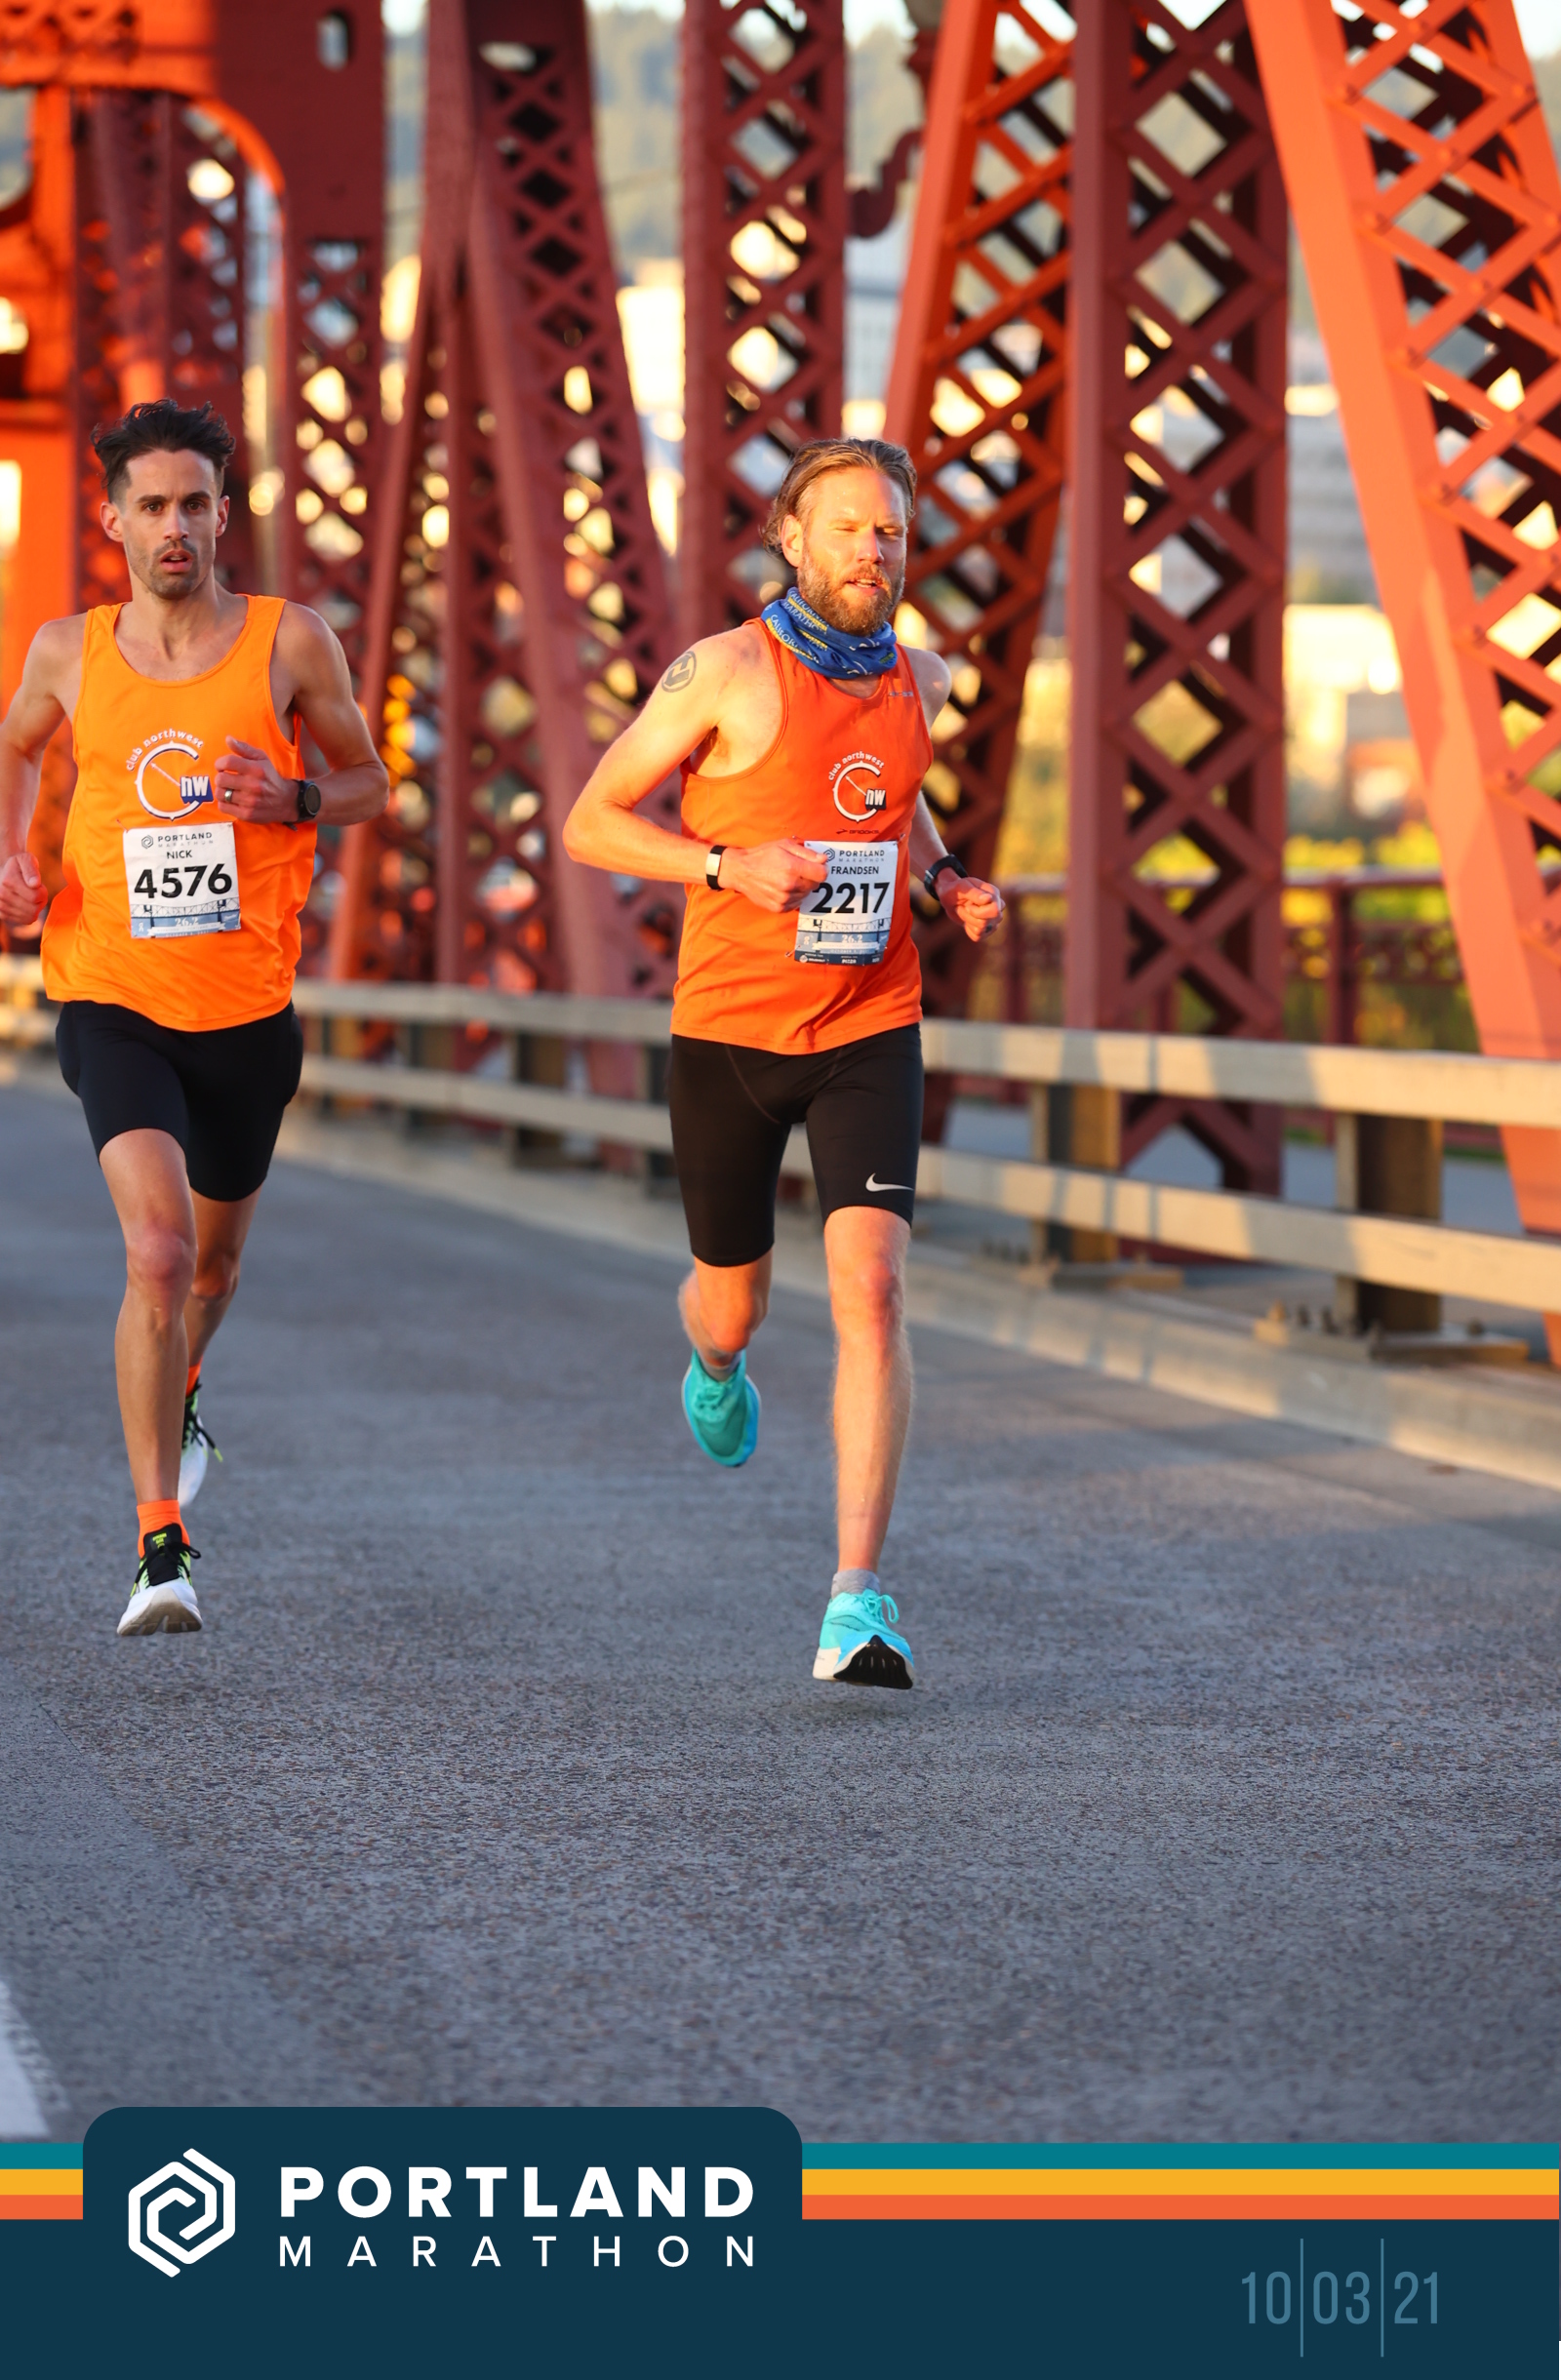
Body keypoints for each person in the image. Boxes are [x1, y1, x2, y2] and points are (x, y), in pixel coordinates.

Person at [565, 436, 1003, 1687]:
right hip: (730, 1034)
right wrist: (722, 865)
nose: (874, 549)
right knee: (734, 1303)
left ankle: (856, 1599)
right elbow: (591, 821)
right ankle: (714, 1361)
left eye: (892, 531)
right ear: (792, 540)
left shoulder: (922, 676)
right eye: (848, 527)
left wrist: (942, 877)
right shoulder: (724, 671)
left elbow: (897, 800)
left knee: (873, 1288)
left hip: (869, 1020)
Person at [0, 399, 388, 1636]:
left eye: (197, 505)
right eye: (153, 505)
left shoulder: (290, 641)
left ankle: (189, 1388)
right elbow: (16, 747)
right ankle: (158, 1544)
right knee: (159, 1254)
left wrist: (295, 797)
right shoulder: (68, 650)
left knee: (212, 1269)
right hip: (111, 996)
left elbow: (371, 781)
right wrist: (14, 855)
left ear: (225, 516)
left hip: (247, 1011)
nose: (176, 526)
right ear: (113, 519)